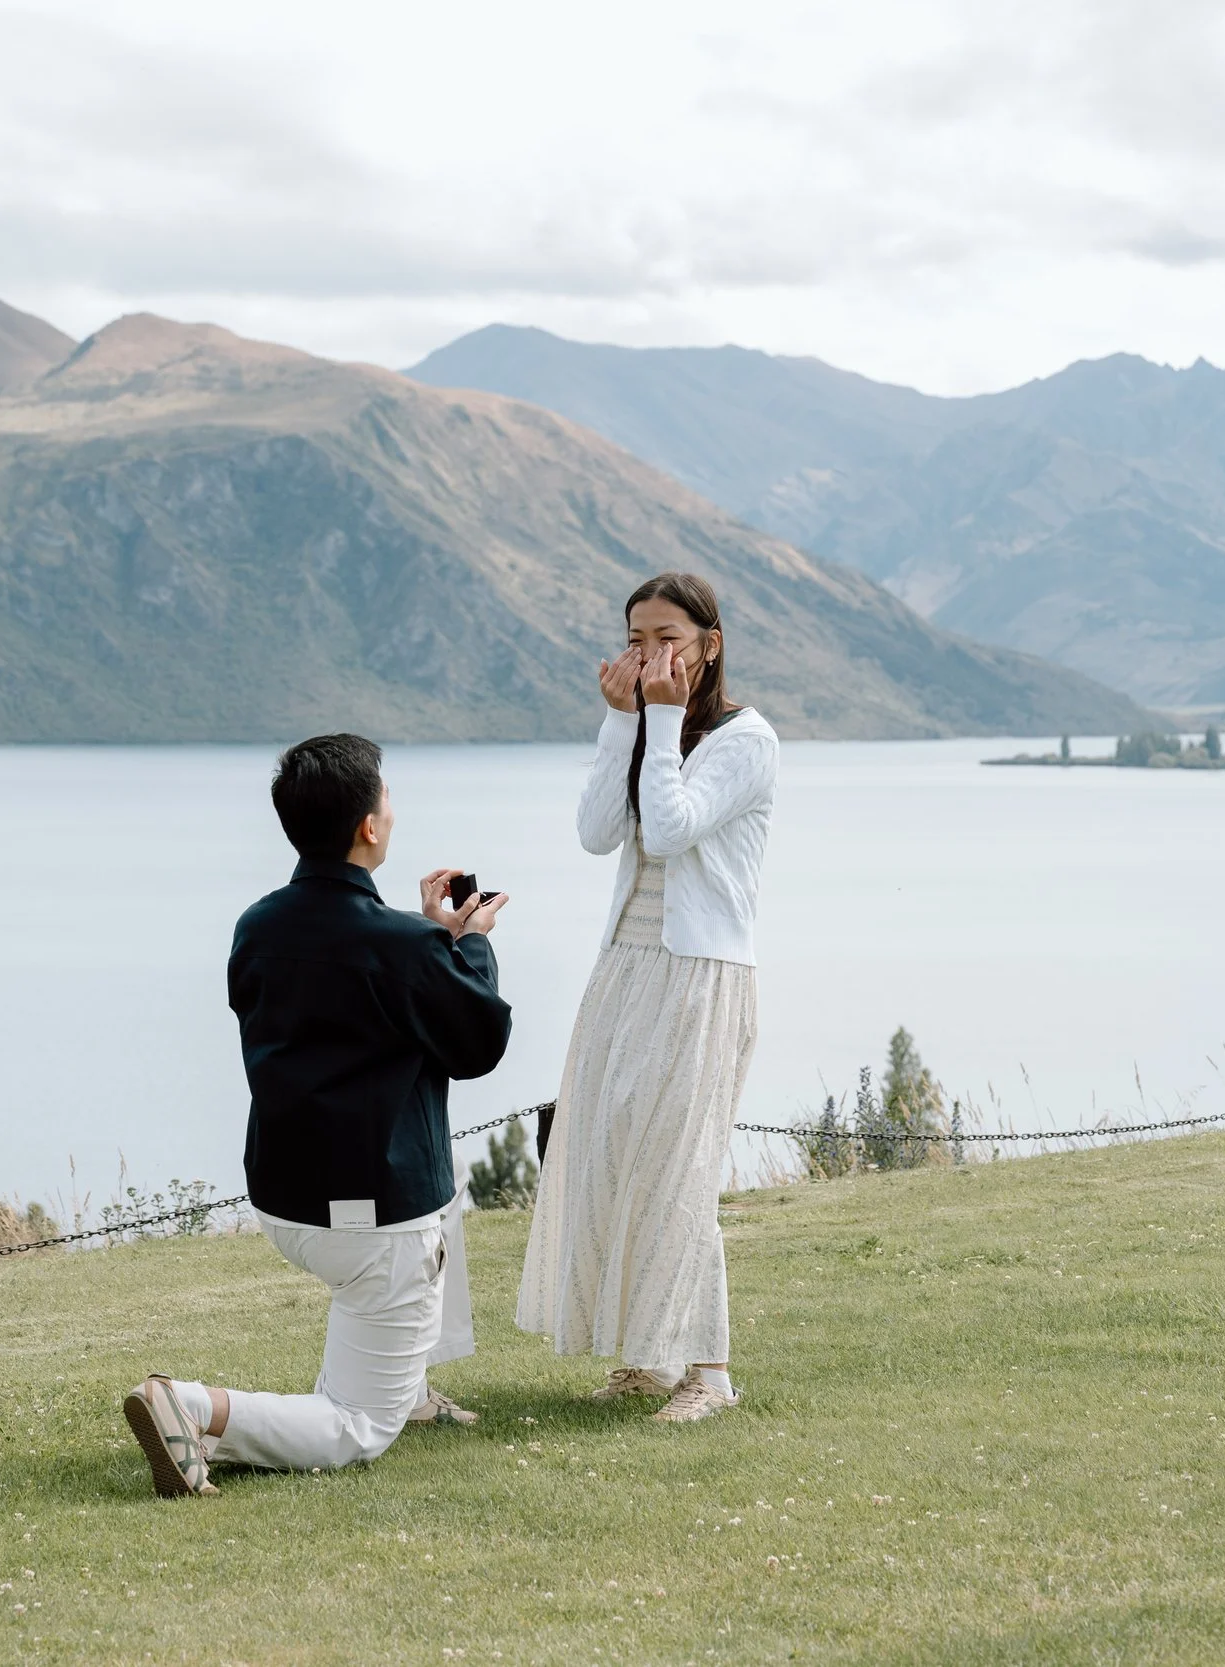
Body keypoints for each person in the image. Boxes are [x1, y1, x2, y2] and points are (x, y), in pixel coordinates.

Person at [124, 733, 512, 1498]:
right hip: (374, 1223)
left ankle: (412, 1386)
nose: (392, 809)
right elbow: (479, 1040)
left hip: (285, 1202)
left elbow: (346, 988)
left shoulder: (257, 927)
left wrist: (431, 938)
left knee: (426, 1222)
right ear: (370, 826)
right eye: (388, 796)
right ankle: (192, 1406)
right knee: (359, 1426)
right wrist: (465, 946)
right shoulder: (404, 946)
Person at [516, 572, 778, 1423]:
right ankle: (646, 1358)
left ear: (709, 644)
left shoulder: (748, 739)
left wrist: (658, 720)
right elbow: (599, 833)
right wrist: (621, 721)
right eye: (636, 637)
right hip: (627, 965)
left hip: (700, 974)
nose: (649, 652)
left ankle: (711, 1373)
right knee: (610, 1147)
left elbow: (668, 828)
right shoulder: (647, 728)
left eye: (667, 636)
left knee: (679, 1164)